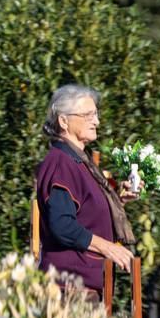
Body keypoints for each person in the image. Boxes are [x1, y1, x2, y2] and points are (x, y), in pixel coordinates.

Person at [34, 84, 136, 291]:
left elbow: (86, 212)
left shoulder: (79, 161)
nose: (96, 121)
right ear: (64, 121)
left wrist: (117, 199)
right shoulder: (61, 163)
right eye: (88, 115)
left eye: (96, 114)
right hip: (69, 288)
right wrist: (107, 248)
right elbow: (62, 225)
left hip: (84, 285)